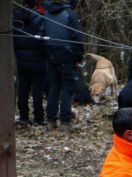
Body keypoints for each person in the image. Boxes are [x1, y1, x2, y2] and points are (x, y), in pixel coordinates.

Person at [41, 0, 84, 131]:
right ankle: (65, 122)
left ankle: (51, 120)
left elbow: (42, 33)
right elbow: (78, 36)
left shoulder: (47, 13)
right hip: (67, 55)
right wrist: (79, 56)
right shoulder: (70, 14)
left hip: (51, 55)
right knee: (67, 89)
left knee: (54, 87)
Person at [13, 0, 47, 127]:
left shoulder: (15, 19)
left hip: (21, 60)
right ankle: (38, 117)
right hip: (38, 60)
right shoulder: (40, 18)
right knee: (37, 90)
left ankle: (23, 116)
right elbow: (43, 40)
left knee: (23, 89)